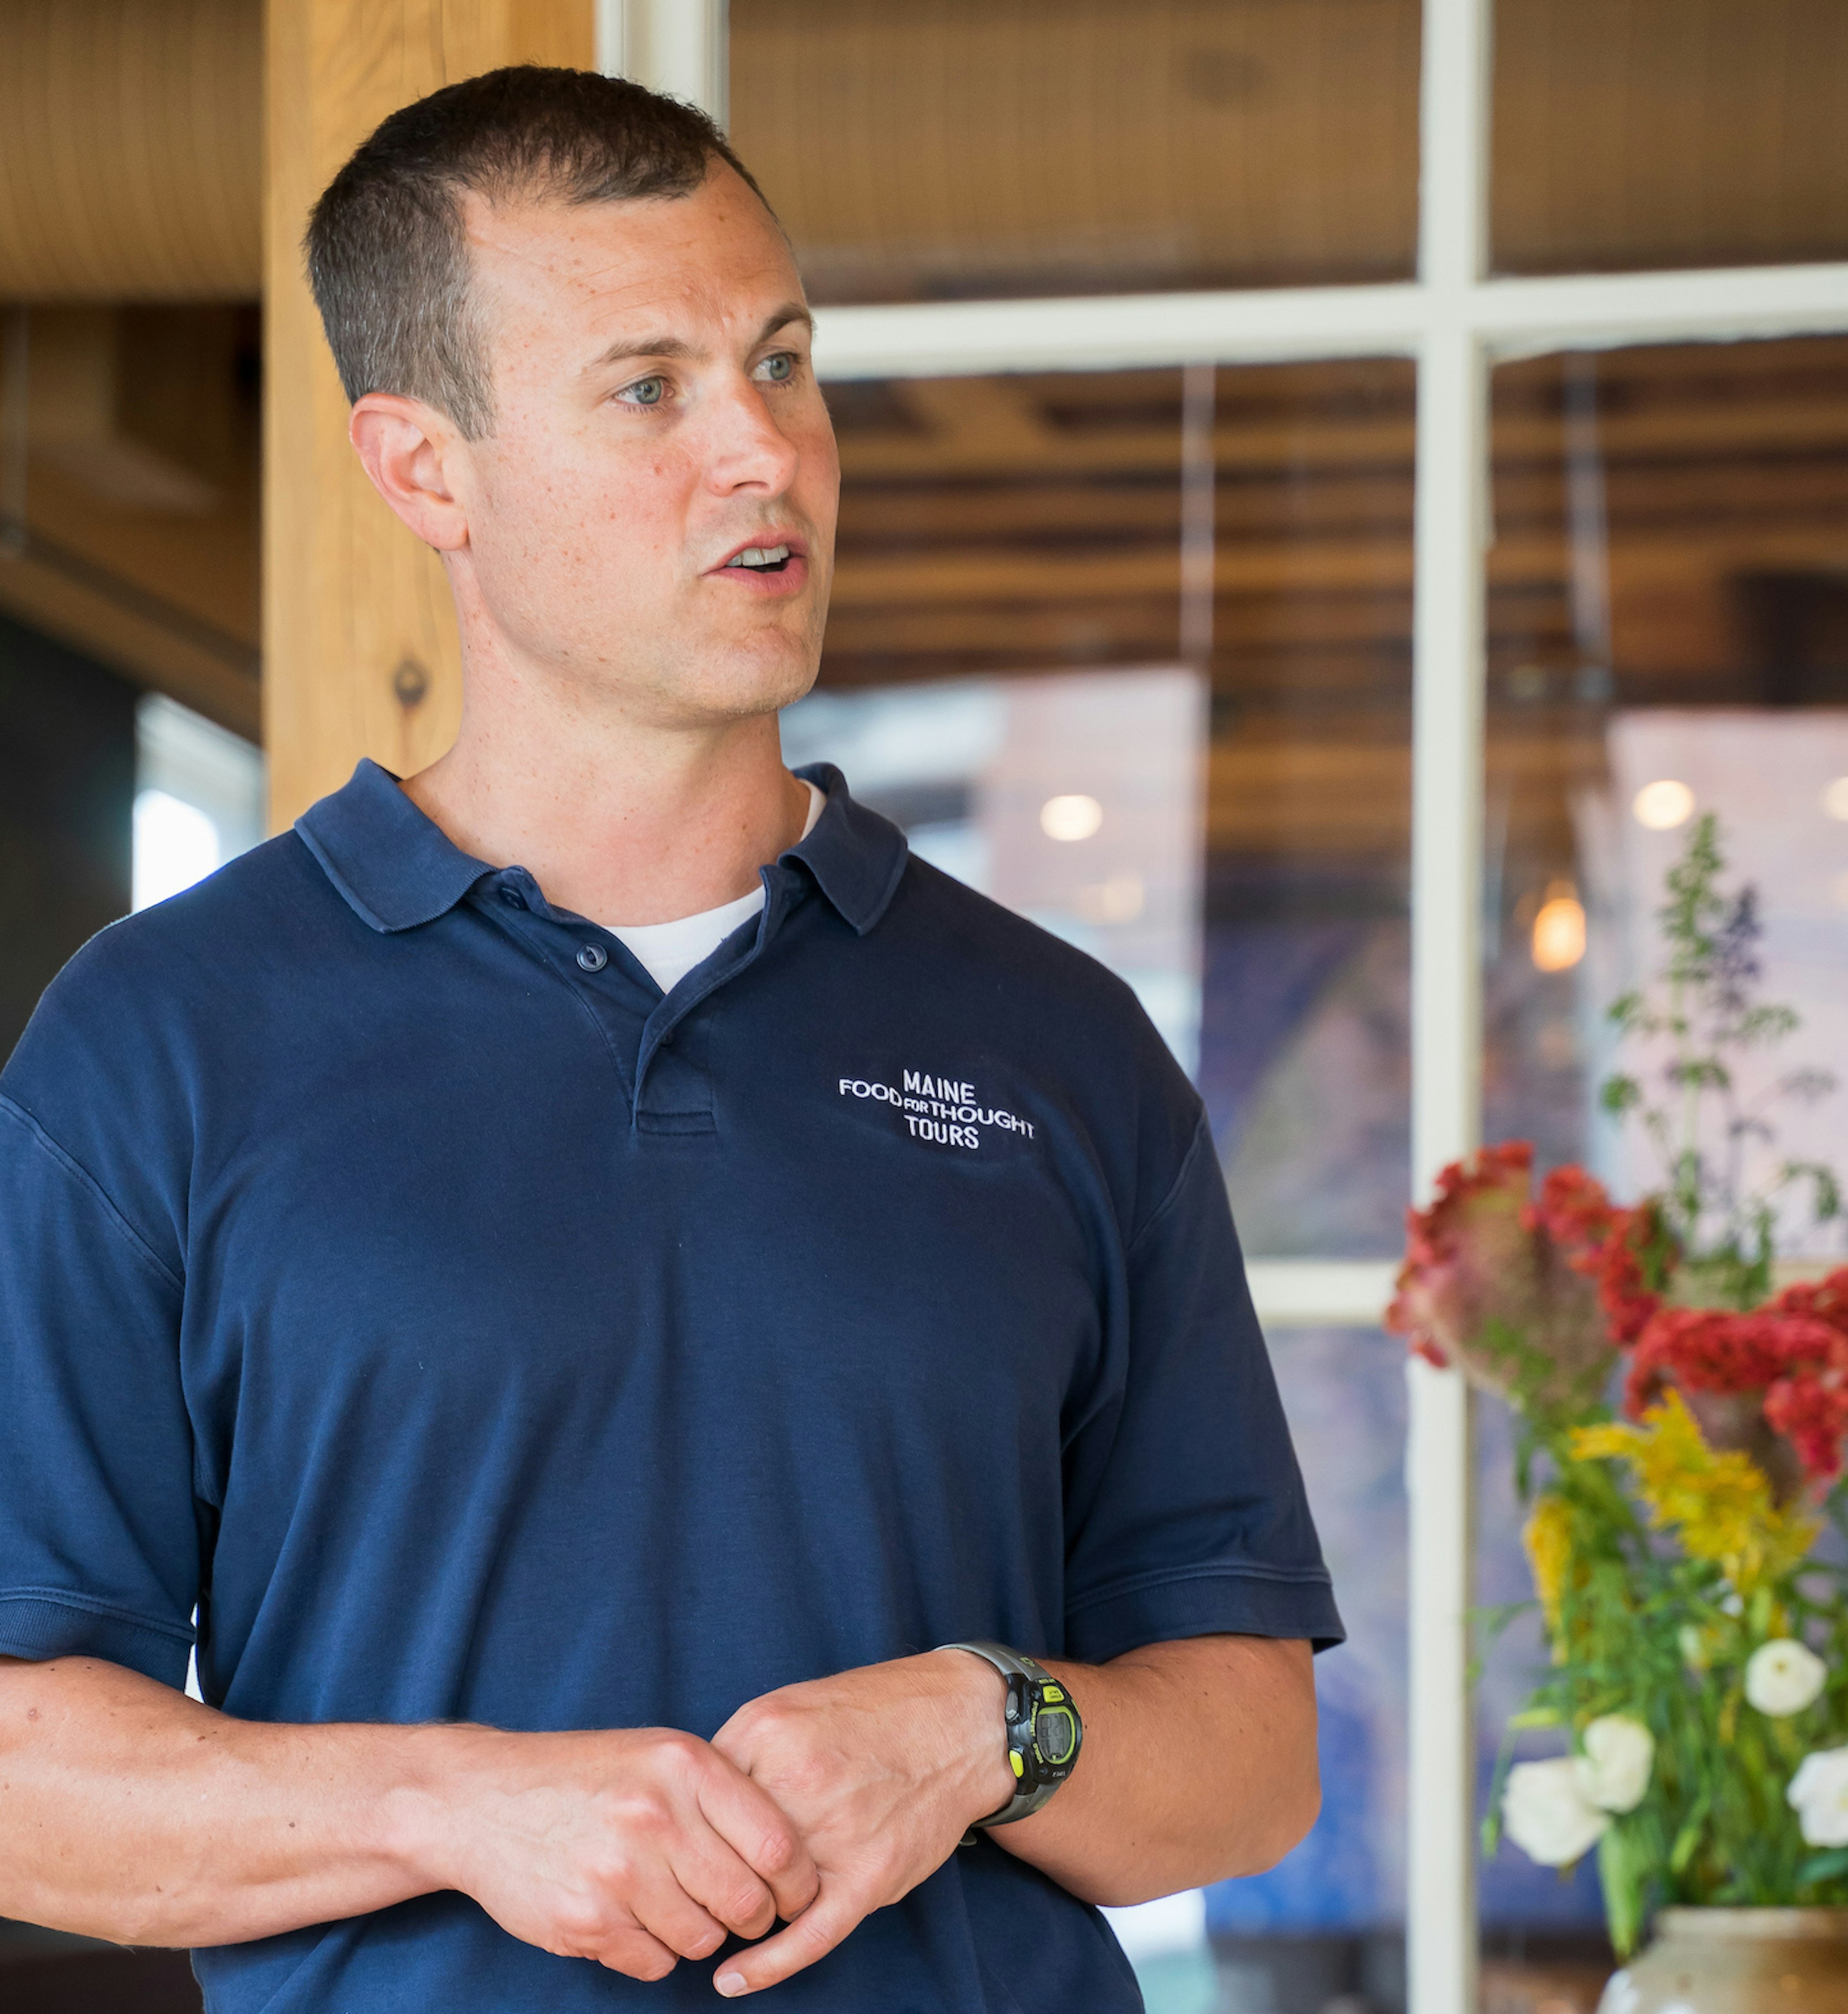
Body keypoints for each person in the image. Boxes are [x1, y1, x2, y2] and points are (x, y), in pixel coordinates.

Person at [0, 66, 1340, 2013]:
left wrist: (993, 1726)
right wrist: (459, 1808)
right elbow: (29, 1776)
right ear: (423, 469)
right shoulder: (164, 1042)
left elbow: (1248, 1759)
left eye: (782, 363)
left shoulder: (1058, 1042)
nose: (764, 453)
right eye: (651, 388)